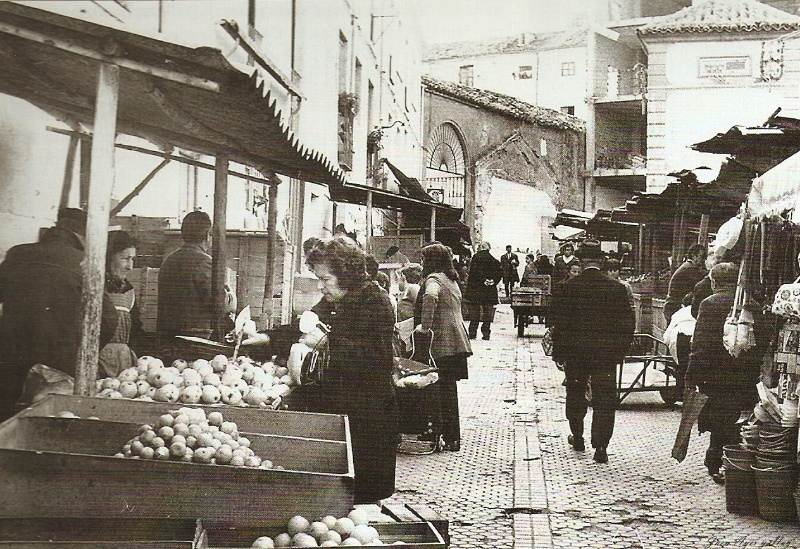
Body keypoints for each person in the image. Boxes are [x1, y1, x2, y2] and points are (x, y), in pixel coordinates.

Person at [0, 208, 118, 421]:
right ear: (83, 236)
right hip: (59, 368)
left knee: (8, 429)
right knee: (47, 426)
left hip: (11, 364)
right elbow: (109, 319)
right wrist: (80, 351)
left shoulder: (17, 254)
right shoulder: (84, 262)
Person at [305, 236, 398, 504]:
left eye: (325, 279)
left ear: (345, 275)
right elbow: (303, 327)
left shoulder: (375, 302)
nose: (321, 287)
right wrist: (264, 338)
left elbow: (377, 360)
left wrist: (327, 343)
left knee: (362, 501)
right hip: (344, 412)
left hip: (368, 417)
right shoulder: (334, 301)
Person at [550, 240, 635, 464]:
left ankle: (577, 436)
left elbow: (559, 324)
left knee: (575, 393)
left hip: (575, 354)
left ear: (581, 260)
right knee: (604, 399)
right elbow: (627, 324)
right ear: (600, 260)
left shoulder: (568, 288)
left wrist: (559, 354)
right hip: (605, 355)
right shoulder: (616, 288)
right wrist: (620, 352)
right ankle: (601, 446)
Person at [685, 262, 764, 484]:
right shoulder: (752, 305)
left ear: (714, 282)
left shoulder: (709, 304)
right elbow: (763, 340)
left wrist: (691, 375)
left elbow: (699, 343)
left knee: (720, 417)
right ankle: (727, 461)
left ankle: (717, 460)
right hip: (743, 374)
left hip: (714, 373)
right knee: (733, 415)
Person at [414, 243, 473, 452]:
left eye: (423, 259)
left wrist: (424, 326)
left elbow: (430, 297)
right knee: (449, 390)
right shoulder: (451, 278)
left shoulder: (434, 279)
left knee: (437, 389)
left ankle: (438, 432)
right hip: (457, 341)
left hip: (442, 343)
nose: (422, 263)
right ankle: (452, 437)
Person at [157, 211, 231, 358]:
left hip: (167, 338)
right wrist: (229, 296)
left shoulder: (168, 261)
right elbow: (217, 303)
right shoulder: (205, 262)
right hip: (196, 341)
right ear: (208, 235)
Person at [99, 230, 144, 378]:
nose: (130, 266)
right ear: (109, 258)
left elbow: (136, 331)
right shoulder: (93, 288)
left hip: (123, 365)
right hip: (97, 362)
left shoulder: (127, 291)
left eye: (133, 259)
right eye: (126, 258)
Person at [463, 241, 502, 340]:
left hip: (476, 290)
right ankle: (486, 333)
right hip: (489, 290)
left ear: (480, 248)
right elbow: (499, 274)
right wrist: (492, 281)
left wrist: (483, 280)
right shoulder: (494, 260)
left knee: (475, 313)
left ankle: (472, 333)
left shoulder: (475, 258)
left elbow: (474, 272)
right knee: (487, 313)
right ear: (488, 248)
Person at [664, 243, 707, 324]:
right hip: (674, 307)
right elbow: (700, 286)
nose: (702, 260)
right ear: (694, 256)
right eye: (701, 256)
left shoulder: (687, 266)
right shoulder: (689, 268)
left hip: (672, 306)